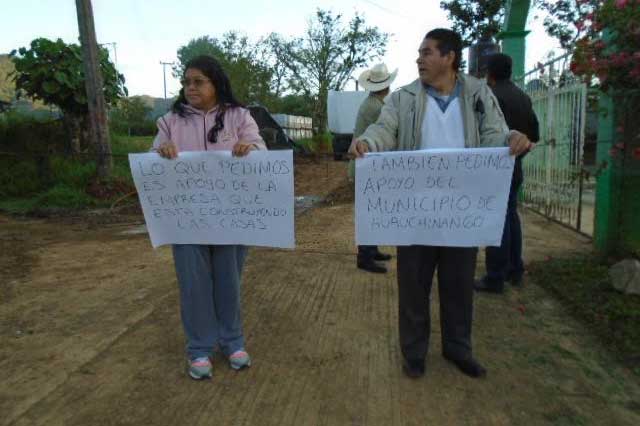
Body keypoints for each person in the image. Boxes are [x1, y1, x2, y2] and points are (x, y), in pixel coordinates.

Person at [349, 29, 533, 379]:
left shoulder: (479, 93)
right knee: (413, 284)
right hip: (416, 210)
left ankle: (457, 348)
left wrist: (512, 138)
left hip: (460, 211)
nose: (419, 59)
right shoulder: (402, 98)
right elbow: (384, 130)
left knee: (459, 284)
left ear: (449, 57)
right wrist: (368, 142)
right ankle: (414, 353)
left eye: (427, 52)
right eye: (419, 53)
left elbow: (495, 133)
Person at [153, 55, 266, 380]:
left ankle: (232, 342)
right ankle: (199, 349)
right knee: (194, 284)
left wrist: (250, 149)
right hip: (186, 219)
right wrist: (161, 153)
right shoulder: (170, 121)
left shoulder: (239, 117)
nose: (190, 88)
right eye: (186, 82)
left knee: (228, 281)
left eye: (198, 81)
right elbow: (152, 162)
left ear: (216, 83)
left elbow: (261, 150)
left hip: (230, 218)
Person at [474, 53, 540, 294]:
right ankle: (515, 268)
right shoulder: (523, 96)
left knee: (496, 221)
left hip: (494, 169)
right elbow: (534, 135)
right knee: (511, 216)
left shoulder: (489, 96)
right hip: (515, 166)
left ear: (488, 72)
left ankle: (495, 276)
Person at [353, 63, 397, 273]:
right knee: (369, 210)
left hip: (367, 163)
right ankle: (365, 256)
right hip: (367, 164)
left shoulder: (374, 103)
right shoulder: (377, 107)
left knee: (373, 208)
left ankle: (371, 250)